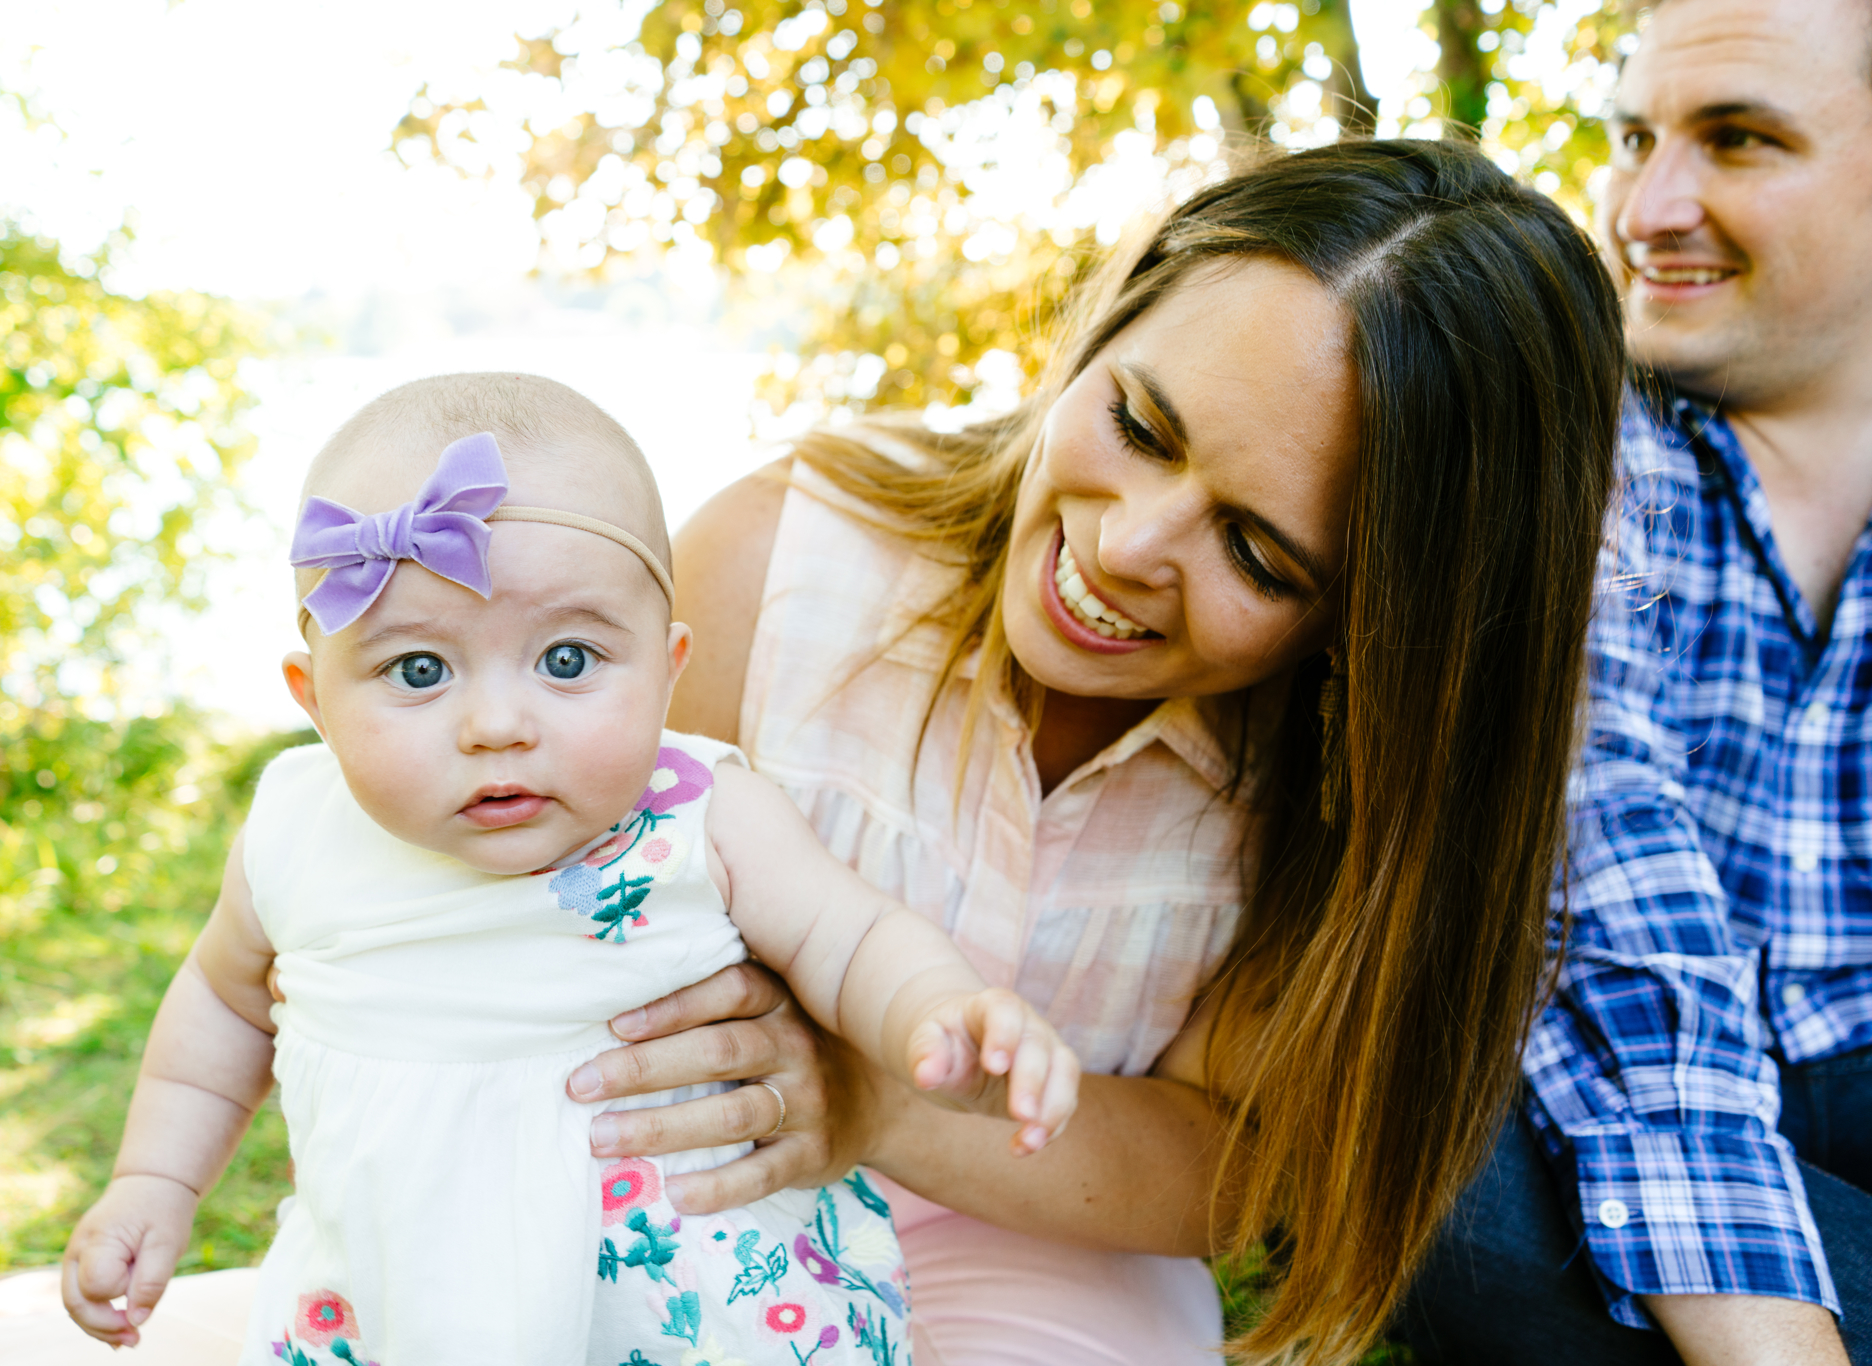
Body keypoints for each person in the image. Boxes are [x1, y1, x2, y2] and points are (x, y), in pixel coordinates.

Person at [561, 138, 1625, 1366]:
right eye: (1137, 423)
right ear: (1110, 324)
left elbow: (1222, 1157)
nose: (1128, 545)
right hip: (678, 1191)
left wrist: (877, 1104)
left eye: (1257, 553)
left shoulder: (1339, 794)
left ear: (1375, 624)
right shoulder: (775, 562)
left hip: (1044, 1246)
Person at [57, 374, 1083, 1364]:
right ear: (314, 696)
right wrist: (153, 1179)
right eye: (419, 669)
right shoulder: (292, 831)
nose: (498, 725)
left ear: (667, 668)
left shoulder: (700, 813)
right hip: (391, 1301)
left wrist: (939, 1011)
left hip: (686, 1310)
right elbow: (225, 1008)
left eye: (567, 661)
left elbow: (850, 936)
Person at [1397, 2, 1872, 1364]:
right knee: (1455, 1176)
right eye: (1634, 138)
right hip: (1614, 1069)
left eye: (1738, 140)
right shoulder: (1571, 445)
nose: (1646, 204)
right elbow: (1603, 908)